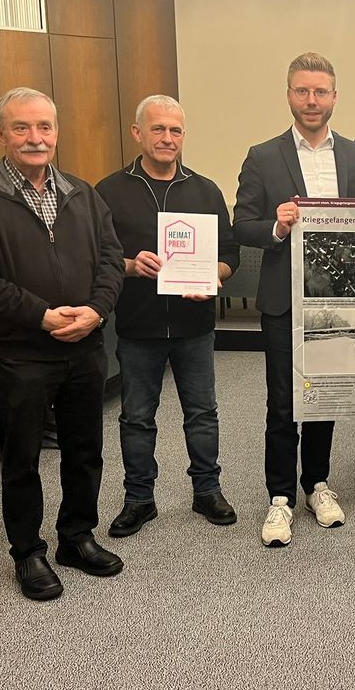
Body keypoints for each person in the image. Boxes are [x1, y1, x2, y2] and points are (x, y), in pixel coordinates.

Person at [0, 87, 125, 600]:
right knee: (22, 457)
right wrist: (42, 316)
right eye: (22, 127)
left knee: (85, 450)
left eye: (44, 127)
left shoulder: (82, 193)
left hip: (85, 346)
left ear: (56, 131)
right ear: (1, 133)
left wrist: (96, 310)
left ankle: (77, 537)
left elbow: (111, 260)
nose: (35, 138)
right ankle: (27, 551)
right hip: (20, 353)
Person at [233, 52, 355, 547]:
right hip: (284, 299)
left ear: (334, 96)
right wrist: (276, 225)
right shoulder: (262, 155)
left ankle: (317, 484)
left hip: (337, 300)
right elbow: (242, 224)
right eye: (302, 91)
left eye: (320, 92)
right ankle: (279, 496)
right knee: (282, 401)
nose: (312, 100)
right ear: (289, 94)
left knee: (322, 397)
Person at [96, 95, 240, 538]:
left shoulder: (206, 190)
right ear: (137, 133)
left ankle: (207, 491)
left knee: (202, 413)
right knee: (137, 417)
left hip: (194, 326)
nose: (167, 138)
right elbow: (97, 257)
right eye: (158, 128)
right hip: (138, 326)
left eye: (175, 130)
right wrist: (129, 265)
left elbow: (229, 254)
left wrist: (214, 276)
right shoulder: (109, 192)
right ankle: (139, 499)